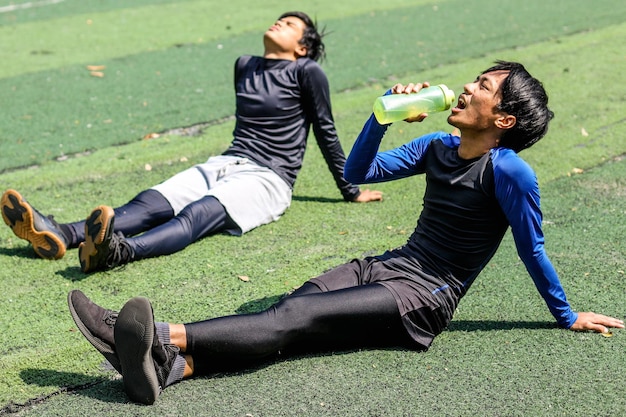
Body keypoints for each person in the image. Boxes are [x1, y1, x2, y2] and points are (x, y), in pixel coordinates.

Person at [68, 61, 624, 405]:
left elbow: (533, 247)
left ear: (502, 119)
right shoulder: (437, 148)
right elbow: (358, 174)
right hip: (387, 266)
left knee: (294, 320)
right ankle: (172, 370)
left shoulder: (508, 172)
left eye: (482, 87)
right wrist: (381, 118)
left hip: (421, 298)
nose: (466, 88)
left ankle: (151, 334)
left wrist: (565, 313)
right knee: (294, 310)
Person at [1, 11, 382, 273]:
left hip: (269, 178)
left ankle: (117, 252)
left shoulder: (307, 71)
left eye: (291, 25)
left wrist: (351, 189)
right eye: (280, 18)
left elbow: (325, 130)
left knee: (197, 215)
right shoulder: (244, 65)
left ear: (302, 47)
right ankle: (62, 234)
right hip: (227, 161)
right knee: (150, 203)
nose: (280, 22)